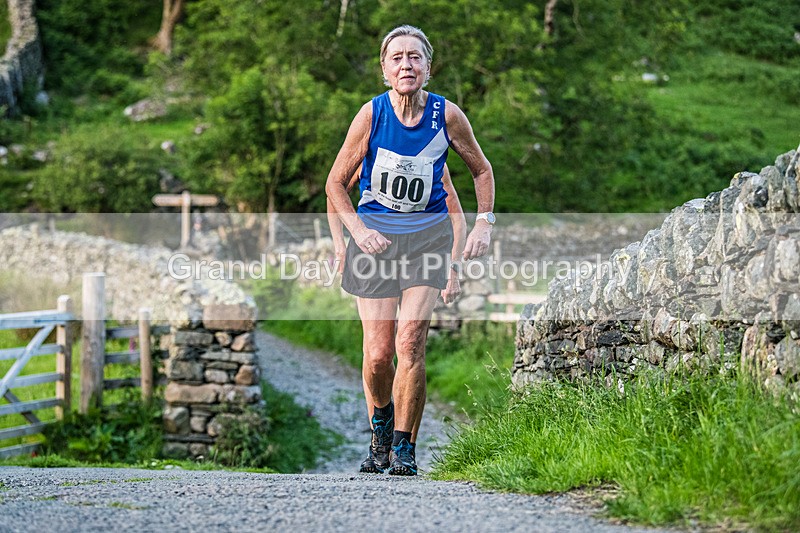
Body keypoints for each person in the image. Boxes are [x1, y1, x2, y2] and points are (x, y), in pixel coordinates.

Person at [326, 24, 495, 476]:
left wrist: (484, 223)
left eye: (415, 57)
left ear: (428, 67)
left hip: (427, 238)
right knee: (379, 353)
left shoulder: (448, 115)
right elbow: (335, 183)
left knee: (410, 342)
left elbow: (481, 170)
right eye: (397, 58)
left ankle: (405, 446)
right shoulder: (371, 115)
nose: (407, 65)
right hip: (375, 239)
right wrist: (356, 234)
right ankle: (380, 427)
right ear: (384, 70)